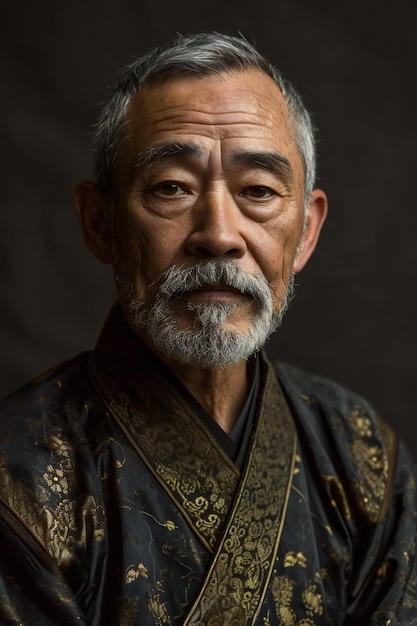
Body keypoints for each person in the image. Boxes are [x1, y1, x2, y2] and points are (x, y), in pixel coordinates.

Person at [0, 32, 416, 626]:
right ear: (99, 223)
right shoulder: (17, 474)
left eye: (258, 192)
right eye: (172, 188)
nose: (218, 233)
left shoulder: (361, 455)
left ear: (305, 232)